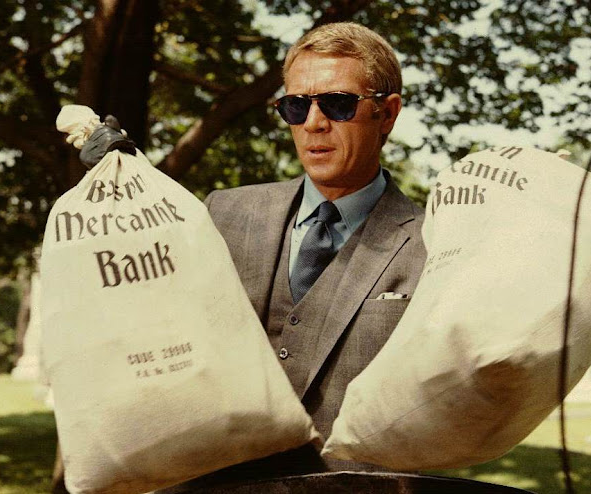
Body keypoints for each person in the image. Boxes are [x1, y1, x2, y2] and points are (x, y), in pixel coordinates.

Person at [167, 22, 427, 491]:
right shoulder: (224, 213)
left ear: (387, 114)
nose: (313, 123)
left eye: (338, 104)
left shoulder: (433, 243)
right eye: (296, 106)